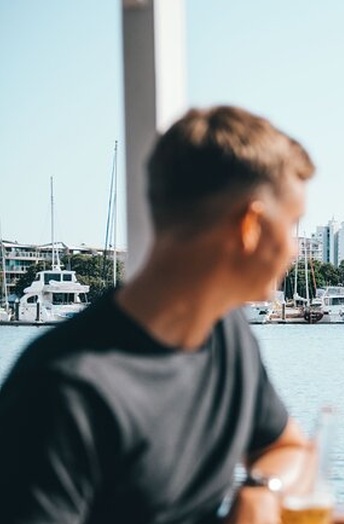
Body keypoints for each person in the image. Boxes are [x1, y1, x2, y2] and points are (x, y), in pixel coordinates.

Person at [0, 105, 316, 523]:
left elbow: (289, 449)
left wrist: (261, 490)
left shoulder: (227, 336)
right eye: (292, 224)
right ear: (249, 226)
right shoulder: (60, 392)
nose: (295, 250)